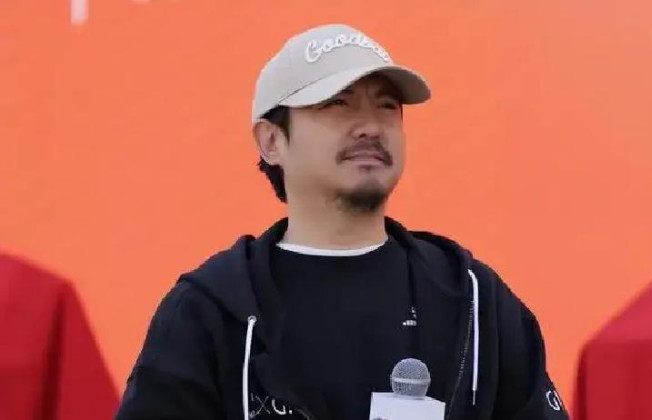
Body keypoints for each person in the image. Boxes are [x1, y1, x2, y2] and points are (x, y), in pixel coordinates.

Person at [116, 23, 569, 420]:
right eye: (338, 104)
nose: (370, 126)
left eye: (387, 106)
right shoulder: (212, 310)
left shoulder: (472, 297)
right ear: (271, 141)